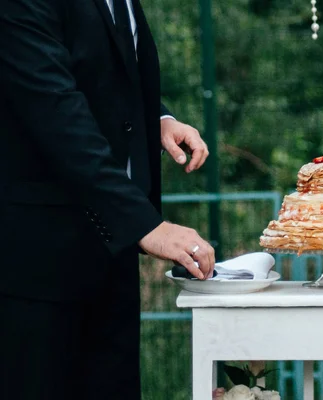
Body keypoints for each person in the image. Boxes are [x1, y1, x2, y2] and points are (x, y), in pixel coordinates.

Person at [0, 0, 215, 399]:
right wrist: (146, 224)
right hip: (38, 262)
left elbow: (104, 75)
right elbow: (54, 109)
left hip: (109, 250)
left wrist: (159, 119)